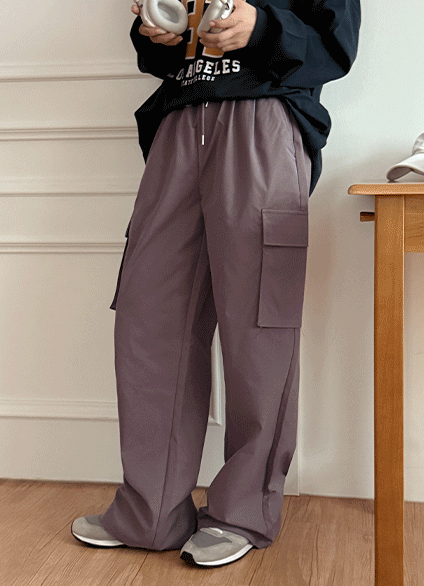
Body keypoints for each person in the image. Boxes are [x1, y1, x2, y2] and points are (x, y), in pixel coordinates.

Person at [71, 0, 361, 568]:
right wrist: (154, 32)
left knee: (259, 328)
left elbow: (336, 45)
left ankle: (243, 512)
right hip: (179, 123)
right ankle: (150, 511)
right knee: (149, 317)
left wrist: (261, 27)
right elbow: (159, 57)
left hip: (265, 122)